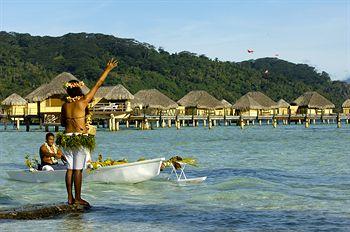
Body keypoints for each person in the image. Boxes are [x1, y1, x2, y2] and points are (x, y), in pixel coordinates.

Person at [58, 58, 118, 206]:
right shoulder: (83, 101)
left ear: (68, 90)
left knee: (69, 169)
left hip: (66, 138)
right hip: (79, 138)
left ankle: (70, 198)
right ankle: (78, 198)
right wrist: (108, 69)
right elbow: (98, 84)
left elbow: (62, 123)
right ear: (78, 89)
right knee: (78, 170)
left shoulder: (65, 106)